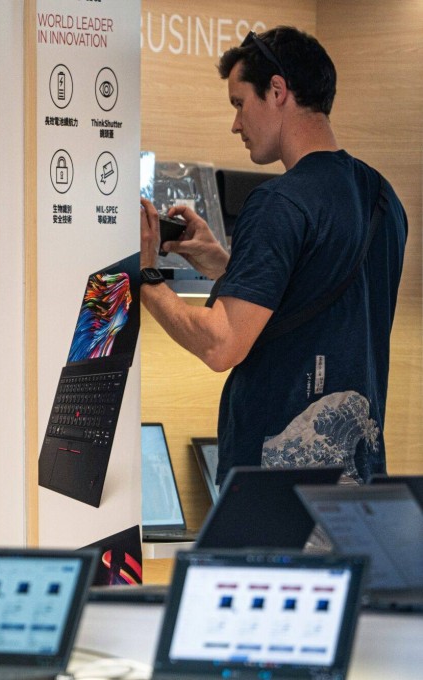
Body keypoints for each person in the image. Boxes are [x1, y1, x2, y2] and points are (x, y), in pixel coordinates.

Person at [139, 26, 407, 485]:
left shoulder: (279, 202)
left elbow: (221, 343)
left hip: (274, 495)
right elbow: (312, 292)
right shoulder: (384, 199)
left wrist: (146, 276)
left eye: (240, 103)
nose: (236, 124)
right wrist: (224, 263)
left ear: (277, 91)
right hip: (357, 485)